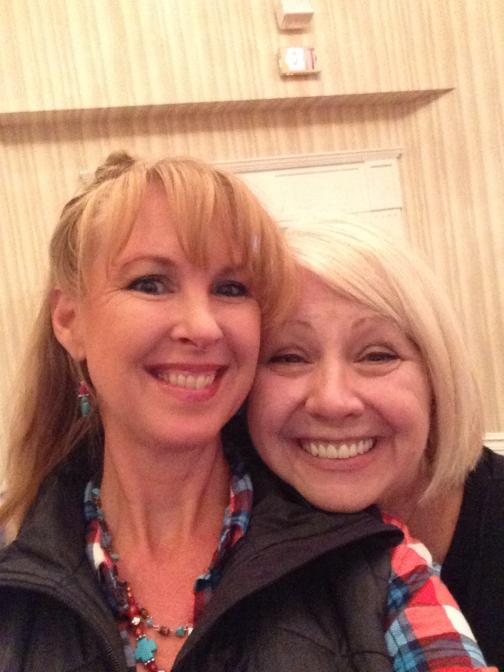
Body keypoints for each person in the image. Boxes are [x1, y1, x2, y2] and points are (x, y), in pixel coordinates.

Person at [0, 153, 493, 672]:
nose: (202, 326)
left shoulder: (376, 565)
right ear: (69, 319)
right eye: (151, 283)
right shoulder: (16, 567)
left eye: (230, 288)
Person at [247, 218, 504, 670]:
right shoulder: (231, 550)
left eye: (377, 355)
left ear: (436, 377)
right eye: (288, 356)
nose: (332, 401)